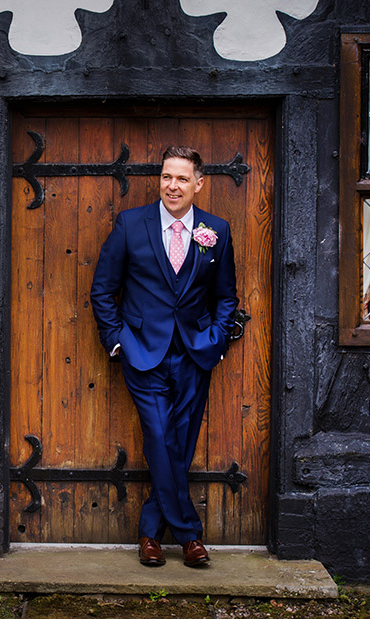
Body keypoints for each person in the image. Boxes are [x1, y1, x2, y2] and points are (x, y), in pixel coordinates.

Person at [90, 145, 238, 567]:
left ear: (198, 184)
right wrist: (116, 339)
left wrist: (217, 338)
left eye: (181, 179)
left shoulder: (216, 231)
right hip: (142, 352)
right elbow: (102, 290)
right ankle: (189, 535)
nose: (172, 186)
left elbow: (226, 296)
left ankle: (151, 534)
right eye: (166, 177)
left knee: (180, 446)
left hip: (195, 353)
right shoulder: (130, 224)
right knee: (159, 436)